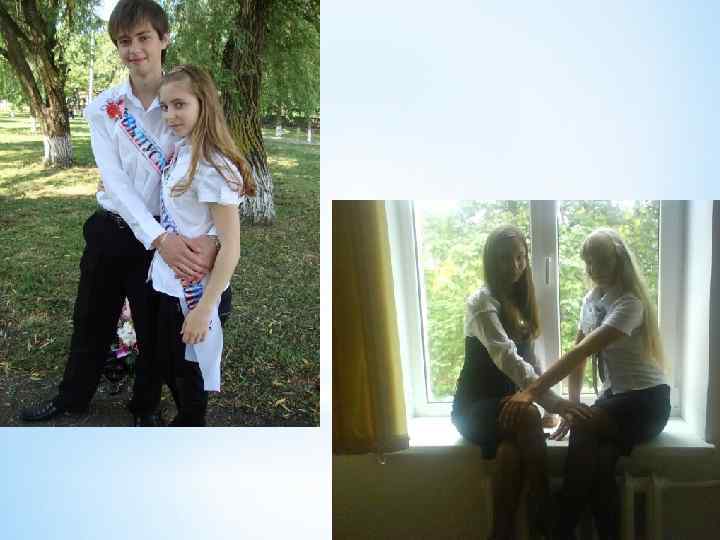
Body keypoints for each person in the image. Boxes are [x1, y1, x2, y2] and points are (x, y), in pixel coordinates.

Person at [20, 0, 221, 426]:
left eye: (144, 37)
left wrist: (211, 238)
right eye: (124, 41)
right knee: (90, 319)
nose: (135, 49)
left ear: (164, 39)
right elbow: (115, 183)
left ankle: (144, 408)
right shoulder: (102, 108)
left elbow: (211, 171)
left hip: (167, 237)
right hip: (117, 230)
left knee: (153, 330)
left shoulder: (183, 101)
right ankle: (71, 398)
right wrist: (159, 239)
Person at [501, 228, 670, 540]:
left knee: (583, 430)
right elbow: (578, 361)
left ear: (619, 261)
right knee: (601, 465)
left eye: (601, 261)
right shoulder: (591, 300)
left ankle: (561, 527)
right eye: (589, 262)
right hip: (613, 400)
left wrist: (531, 392)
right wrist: (573, 405)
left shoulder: (630, 303)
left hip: (645, 402)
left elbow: (580, 352)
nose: (594, 269)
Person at [451, 225, 589, 540]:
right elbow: (508, 358)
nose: (513, 266)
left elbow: (531, 360)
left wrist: (549, 409)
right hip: (475, 409)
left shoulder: (520, 300)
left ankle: (502, 533)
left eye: (519, 257)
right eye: (503, 258)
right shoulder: (481, 303)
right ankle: (545, 509)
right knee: (527, 413)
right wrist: (555, 402)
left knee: (510, 456)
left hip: (511, 408)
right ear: (490, 260)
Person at [146, 64, 254, 426]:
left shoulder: (212, 165)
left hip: (196, 295)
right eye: (165, 106)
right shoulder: (182, 151)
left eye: (180, 105)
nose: (170, 115)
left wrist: (205, 309)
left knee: (189, 381)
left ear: (203, 103)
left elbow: (231, 248)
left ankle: (190, 432)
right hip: (168, 284)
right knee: (166, 364)